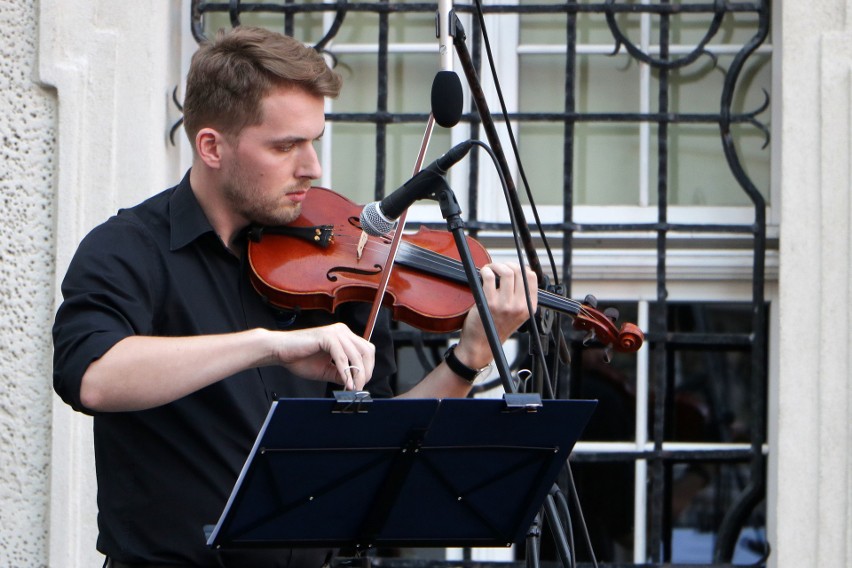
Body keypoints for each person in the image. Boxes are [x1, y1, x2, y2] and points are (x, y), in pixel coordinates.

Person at [52, 26, 537, 568]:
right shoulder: (128, 249)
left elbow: (382, 437)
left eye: (313, 141)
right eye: (285, 146)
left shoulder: (342, 264)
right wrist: (267, 345)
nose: (312, 168)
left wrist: (468, 358)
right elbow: (94, 378)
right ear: (211, 146)